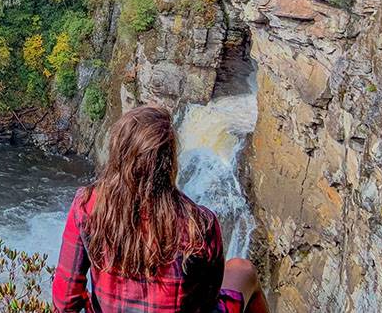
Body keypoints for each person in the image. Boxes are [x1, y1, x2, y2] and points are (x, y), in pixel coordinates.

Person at [52, 106, 270, 313]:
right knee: (244, 270)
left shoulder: (87, 205)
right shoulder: (200, 223)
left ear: (118, 155)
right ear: (170, 162)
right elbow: (206, 302)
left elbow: (65, 302)